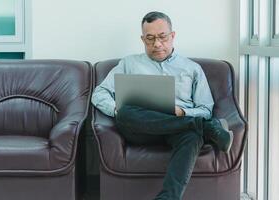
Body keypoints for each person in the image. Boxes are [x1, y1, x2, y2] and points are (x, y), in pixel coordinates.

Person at [91, 11, 233, 200]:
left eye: (162, 37)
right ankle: (205, 128)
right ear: (142, 39)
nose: (157, 44)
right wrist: (115, 109)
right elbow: (99, 93)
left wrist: (181, 111)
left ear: (172, 36)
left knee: (191, 135)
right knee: (124, 112)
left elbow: (205, 109)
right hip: (141, 129)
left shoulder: (192, 68)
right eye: (150, 39)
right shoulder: (129, 63)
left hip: (179, 129)